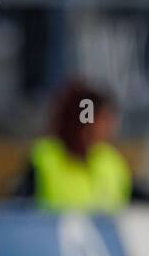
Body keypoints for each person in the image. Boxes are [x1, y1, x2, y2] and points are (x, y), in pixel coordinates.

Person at [14, 81, 132, 212]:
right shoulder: (45, 158)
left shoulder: (110, 161)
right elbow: (17, 206)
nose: (108, 127)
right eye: (100, 120)